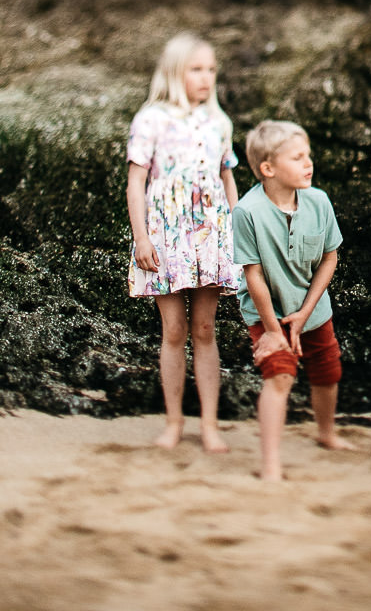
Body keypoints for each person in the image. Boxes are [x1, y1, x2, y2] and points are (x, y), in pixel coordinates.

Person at [125, 32, 241, 453]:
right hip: (165, 237)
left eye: (211, 69)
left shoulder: (218, 121)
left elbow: (227, 177)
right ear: (175, 72)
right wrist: (141, 237)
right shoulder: (151, 119)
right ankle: (174, 421)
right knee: (173, 330)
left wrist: (240, 231)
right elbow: (136, 183)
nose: (206, 77)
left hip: (211, 235)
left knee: (205, 329)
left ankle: (209, 424)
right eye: (196, 69)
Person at [232, 119, 353, 481]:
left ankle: (326, 433)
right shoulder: (247, 211)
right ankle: (270, 462)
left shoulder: (319, 201)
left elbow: (329, 257)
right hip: (267, 312)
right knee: (280, 375)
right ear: (268, 169)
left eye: (308, 155)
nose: (308, 163)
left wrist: (305, 313)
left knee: (327, 370)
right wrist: (273, 331)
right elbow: (253, 274)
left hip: (313, 308)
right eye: (298, 157)